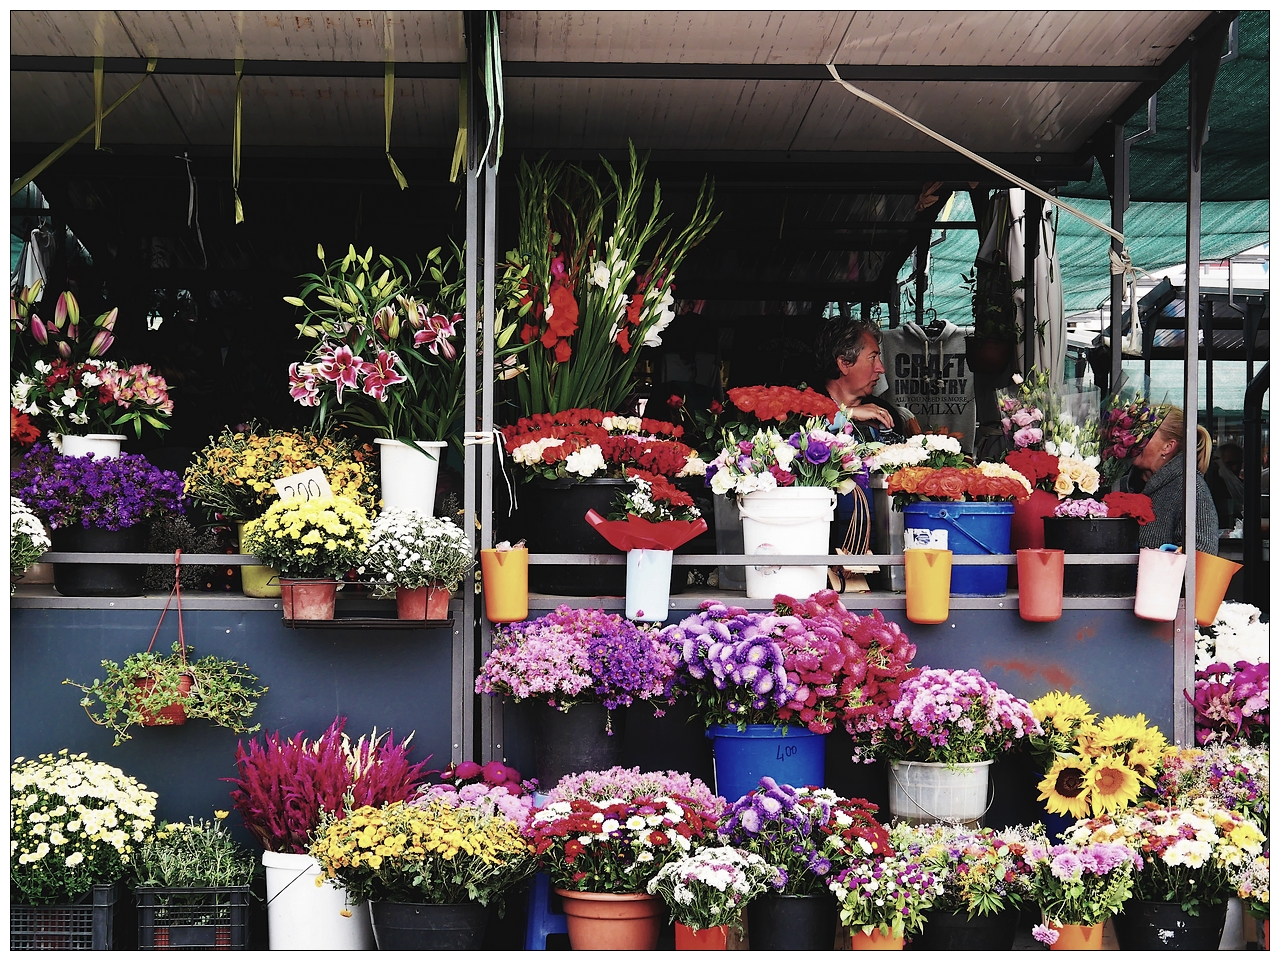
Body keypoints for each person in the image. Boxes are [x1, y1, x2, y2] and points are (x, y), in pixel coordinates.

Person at [1115, 405, 1218, 555]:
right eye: (1135, 432)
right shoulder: (1121, 485)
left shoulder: (1191, 489)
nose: (1134, 440)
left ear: (1168, 446)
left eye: (1145, 434)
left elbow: (1200, 557)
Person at [813, 317, 913, 440]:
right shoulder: (802, 409)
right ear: (844, 363)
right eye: (872, 358)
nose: (881, 369)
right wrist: (847, 414)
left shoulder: (885, 412)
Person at [1205, 441, 1245, 529]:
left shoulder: (1242, 485)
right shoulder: (1211, 485)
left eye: (1238, 463)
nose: (1235, 468)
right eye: (1229, 463)